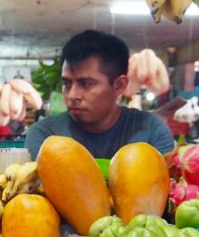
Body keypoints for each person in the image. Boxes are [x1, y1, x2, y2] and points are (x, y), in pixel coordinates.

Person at [24, 30, 174, 159]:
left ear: (119, 85)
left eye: (86, 84)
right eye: (66, 83)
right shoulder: (45, 136)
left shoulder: (151, 131)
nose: (72, 95)